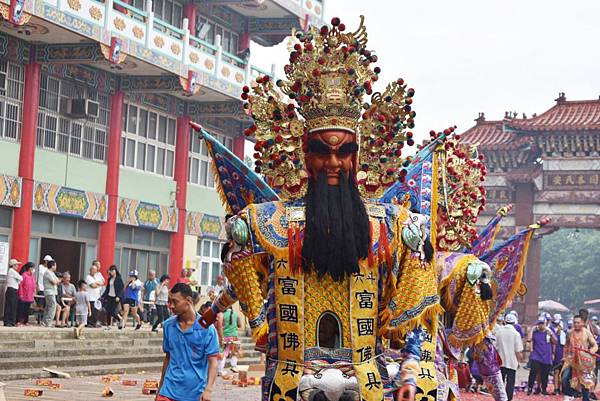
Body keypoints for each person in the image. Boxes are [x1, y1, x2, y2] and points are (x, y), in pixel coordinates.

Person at [157, 283, 218, 401]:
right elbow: (168, 358)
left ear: (188, 300)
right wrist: (160, 388)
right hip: (168, 391)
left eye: (175, 302)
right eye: (169, 301)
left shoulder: (207, 329)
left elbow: (213, 363)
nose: (171, 306)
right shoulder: (168, 325)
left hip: (194, 393)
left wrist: (208, 390)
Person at [562, 315, 599, 401]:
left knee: (585, 382)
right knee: (565, 377)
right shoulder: (570, 332)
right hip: (571, 360)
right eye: (574, 322)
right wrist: (565, 356)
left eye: (578, 322)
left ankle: (585, 399)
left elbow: (595, 345)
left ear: (582, 323)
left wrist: (592, 350)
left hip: (583, 361)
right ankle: (569, 396)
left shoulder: (587, 333)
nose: (576, 324)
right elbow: (566, 345)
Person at [495, 313, 523, 401]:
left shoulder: (498, 332)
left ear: (504, 321)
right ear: (514, 323)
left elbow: (494, 347)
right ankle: (508, 399)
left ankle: (500, 398)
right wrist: (518, 361)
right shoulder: (516, 334)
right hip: (512, 362)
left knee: (500, 382)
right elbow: (518, 351)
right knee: (510, 383)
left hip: (500, 362)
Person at [527, 316, 556, 395]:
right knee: (533, 372)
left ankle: (544, 389)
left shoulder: (549, 331)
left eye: (542, 324)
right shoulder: (535, 332)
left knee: (545, 374)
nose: (540, 325)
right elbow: (529, 339)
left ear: (545, 324)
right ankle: (530, 387)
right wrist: (532, 330)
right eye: (539, 324)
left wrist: (551, 334)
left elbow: (555, 342)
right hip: (536, 355)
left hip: (546, 356)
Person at [217, 306, 243, 375]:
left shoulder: (222, 314)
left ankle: (220, 370)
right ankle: (234, 366)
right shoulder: (236, 314)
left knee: (224, 353)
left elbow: (219, 326)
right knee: (234, 352)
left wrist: (221, 338)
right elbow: (240, 325)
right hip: (234, 336)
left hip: (225, 336)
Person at [101, 265, 123, 330]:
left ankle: (120, 319)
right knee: (108, 311)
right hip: (109, 296)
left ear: (115, 271)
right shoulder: (110, 279)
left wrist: (118, 296)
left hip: (115, 297)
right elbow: (107, 289)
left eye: (113, 270)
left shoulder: (119, 279)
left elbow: (121, 289)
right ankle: (108, 325)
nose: (112, 272)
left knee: (113, 311)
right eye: (111, 271)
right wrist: (103, 296)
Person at [550, 313, 567, 395]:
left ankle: (562, 388)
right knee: (556, 372)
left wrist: (564, 356)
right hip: (555, 355)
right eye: (555, 325)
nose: (556, 327)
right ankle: (556, 388)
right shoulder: (552, 332)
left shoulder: (563, 334)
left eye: (557, 325)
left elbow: (564, 346)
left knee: (562, 372)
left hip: (561, 355)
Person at [85, 261, 105, 327]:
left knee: (97, 311)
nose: (94, 271)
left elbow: (103, 282)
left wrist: (97, 283)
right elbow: (93, 285)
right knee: (91, 311)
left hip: (97, 297)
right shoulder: (88, 277)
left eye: (95, 270)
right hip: (91, 297)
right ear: (90, 270)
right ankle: (89, 323)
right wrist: (98, 284)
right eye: (93, 270)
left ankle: (94, 322)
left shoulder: (97, 276)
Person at [3, 258, 23, 327]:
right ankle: (8, 321)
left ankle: (11, 321)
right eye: (16, 265)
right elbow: (21, 278)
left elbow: (19, 281)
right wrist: (18, 279)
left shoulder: (13, 272)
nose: (17, 266)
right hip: (11, 290)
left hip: (13, 290)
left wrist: (18, 279)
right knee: (10, 306)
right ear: (13, 265)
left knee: (12, 306)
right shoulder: (12, 271)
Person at [41, 260, 59, 327]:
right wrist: (56, 281)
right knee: (52, 306)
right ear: (52, 266)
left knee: (48, 307)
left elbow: (57, 280)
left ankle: (44, 322)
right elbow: (54, 282)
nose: (56, 266)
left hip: (52, 292)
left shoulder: (52, 273)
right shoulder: (48, 272)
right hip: (49, 292)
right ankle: (48, 322)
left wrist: (57, 281)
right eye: (55, 265)